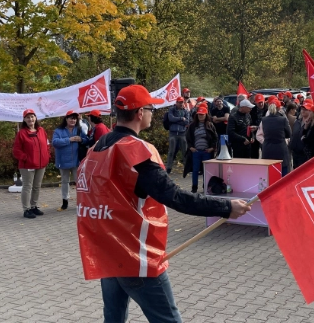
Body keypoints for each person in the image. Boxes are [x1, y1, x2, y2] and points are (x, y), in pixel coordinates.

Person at [76, 85, 251, 322]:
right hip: (135, 255)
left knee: (113, 318)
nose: (152, 114)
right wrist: (227, 207)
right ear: (139, 113)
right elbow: (176, 197)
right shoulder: (135, 152)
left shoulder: (98, 146)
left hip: (107, 251)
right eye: (150, 109)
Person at [12, 109, 50, 219]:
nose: (30, 119)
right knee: (28, 186)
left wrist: (47, 156)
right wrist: (26, 158)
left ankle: (34, 206)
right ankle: (26, 209)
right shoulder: (22, 133)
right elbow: (16, 150)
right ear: (24, 120)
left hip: (41, 164)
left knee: (37, 186)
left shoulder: (41, 130)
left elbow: (47, 144)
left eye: (32, 116)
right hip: (27, 165)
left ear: (36, 118)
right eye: (28, 117)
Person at [52, 110, 90, 210]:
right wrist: (69, 140)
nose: (73, 120)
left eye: (74, 118)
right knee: (65, 182)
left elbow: (87, 140)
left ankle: (81, 202)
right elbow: (55, 142)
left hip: (76, 161)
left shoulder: (79, 129)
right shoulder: (58, 130)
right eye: (71, 118)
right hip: (63, 161)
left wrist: (81, 139)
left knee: (79, 182)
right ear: (66, 119)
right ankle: (65, 201)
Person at [185, 105, 218, 193]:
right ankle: (194, 187)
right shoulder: (192, 126)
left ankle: (205, 187)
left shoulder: (210, 125)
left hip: (207, 152)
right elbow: (188, 138)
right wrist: (191, 147)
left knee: (206, 171)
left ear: (206, 115)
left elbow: (215, 138)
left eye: (202, 114)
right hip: (196, 151)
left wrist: (212, 148)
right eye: (199, 114)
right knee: (195, 170)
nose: (201, 116)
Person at [260, 100, 292, 176]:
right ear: (278, 108)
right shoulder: (283, 119)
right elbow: (289, 134)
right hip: (280, 149)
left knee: (269, 175)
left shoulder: (264, 120)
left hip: (267, 149)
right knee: (282, 174)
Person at [165, 97, 190, 174]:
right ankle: (168, 168)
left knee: (185, 151)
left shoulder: (186, 111)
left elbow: (187, 122)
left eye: (182, 102)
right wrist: (181, 119)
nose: (180, 103)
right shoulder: (172, 110)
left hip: (182, 133)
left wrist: (177, 121)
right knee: (171, 151)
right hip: (173, 133)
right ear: (176, 102)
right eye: (179, 102)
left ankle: (186, 167)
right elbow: (171, 118)